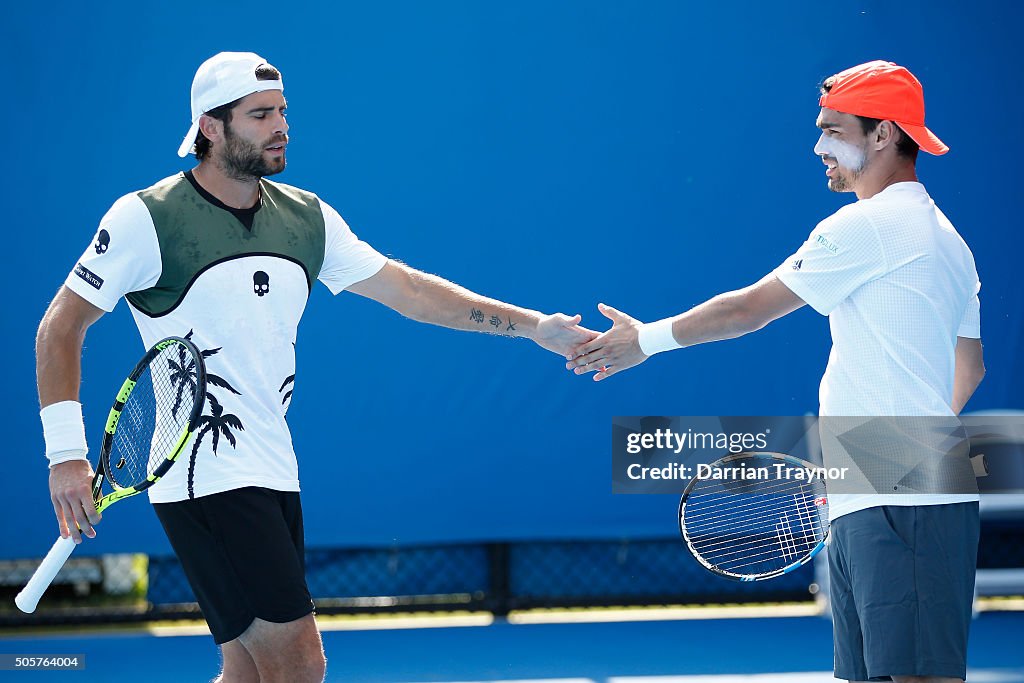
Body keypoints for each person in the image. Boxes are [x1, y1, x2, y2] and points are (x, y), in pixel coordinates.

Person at [37, 52, 595, 683]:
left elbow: (411, 291)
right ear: (210, 128)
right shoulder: (145, 219)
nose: (280, 127)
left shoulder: (307, 218)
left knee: (248, 672)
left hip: (273, 466)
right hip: (205, 474)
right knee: (300, 665)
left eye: (282, 113)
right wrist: (66, 456)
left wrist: (533, 327)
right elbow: (61, 327)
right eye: (260, 115)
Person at [567, 61, 985, 683]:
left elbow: (746, 311)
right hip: (884, 491)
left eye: (834, 130)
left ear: (883, 135)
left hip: (906, 501)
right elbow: (969, 369)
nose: (819, 147)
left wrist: (645, 341)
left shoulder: (869, 225)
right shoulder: (951, 242)